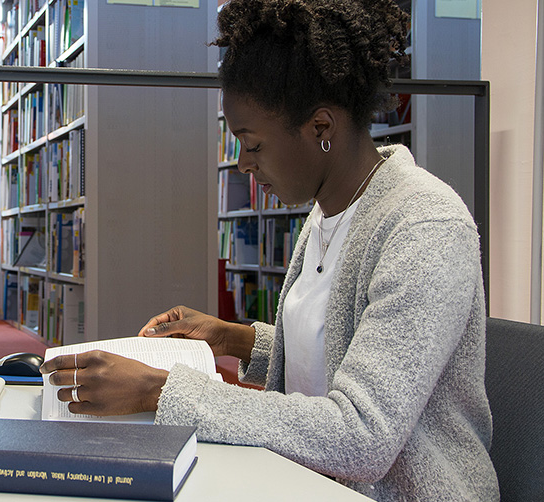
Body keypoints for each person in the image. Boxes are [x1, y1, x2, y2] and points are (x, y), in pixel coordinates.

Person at [40, 0, 498, 499]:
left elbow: (362, 436)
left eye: (252, 144)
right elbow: (334, 354)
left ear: (320, 128)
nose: (242, 164)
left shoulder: (425, 227)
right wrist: (232, 339)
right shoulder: (329, 211)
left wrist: (158, 389)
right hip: (305, 478)